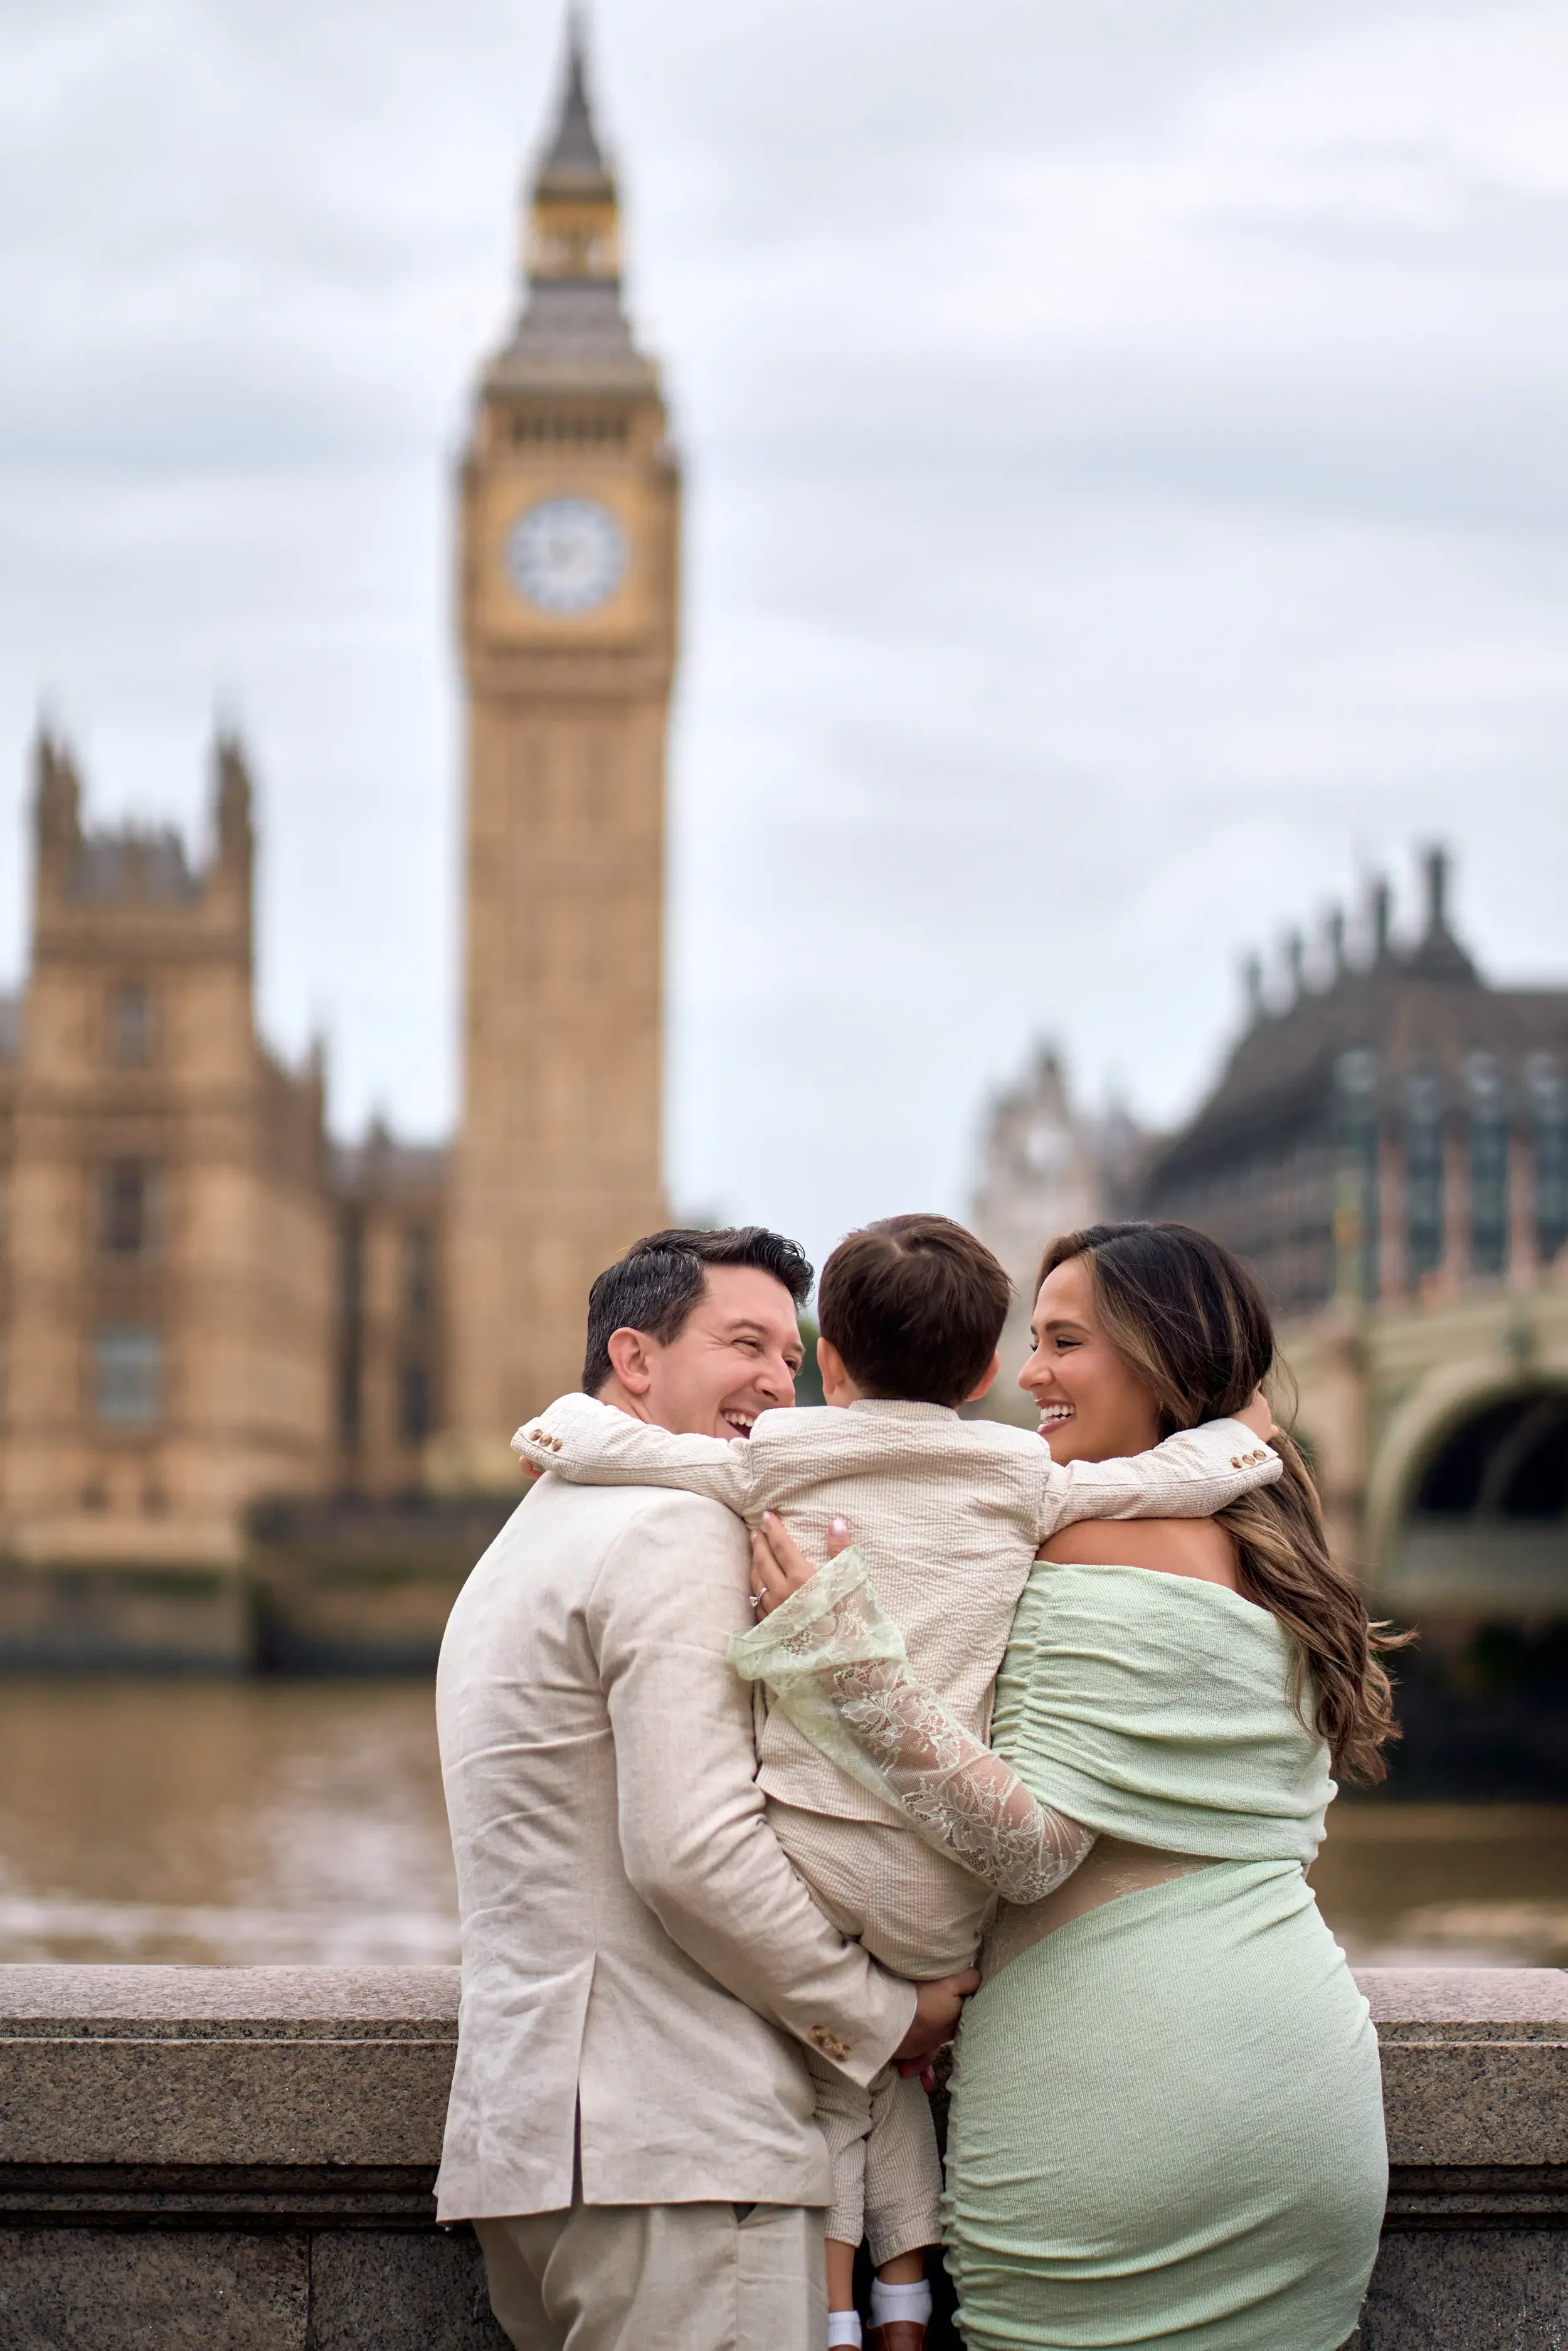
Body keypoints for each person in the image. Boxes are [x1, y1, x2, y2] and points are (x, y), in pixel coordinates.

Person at [514, 1213, 1283, 2351]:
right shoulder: (1027, 1475)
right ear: (984, 1372)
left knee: (831, 2083)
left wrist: (554, 1426)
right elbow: (1162, 1478)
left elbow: (623, 1449)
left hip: (808, 1847)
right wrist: (1245, 1441)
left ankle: (835, 2311)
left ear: (827, 1360)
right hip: (945, 1884)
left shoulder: (772, 1458)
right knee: (904, 2077)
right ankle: (911, 2302)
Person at [744, 1221, 1395, 2351]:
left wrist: (836, 1660)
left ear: (1160, 1357)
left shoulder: (1091, 1553)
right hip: (1304, 2088)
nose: (1032, 1371)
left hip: (1116, 2109)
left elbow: (1029, 1848)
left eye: (1065, 1341)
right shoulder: (1279, 1550)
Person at [435, 1226, 977, 2351]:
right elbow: (692, 1850)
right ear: (635, 1360)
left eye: (791, 1351)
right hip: (681, 2157)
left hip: (533, 2156)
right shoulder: (674, 1528)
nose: (778, 1382)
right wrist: (886, 2013)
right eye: (744, 1343)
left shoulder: (517, 1545)